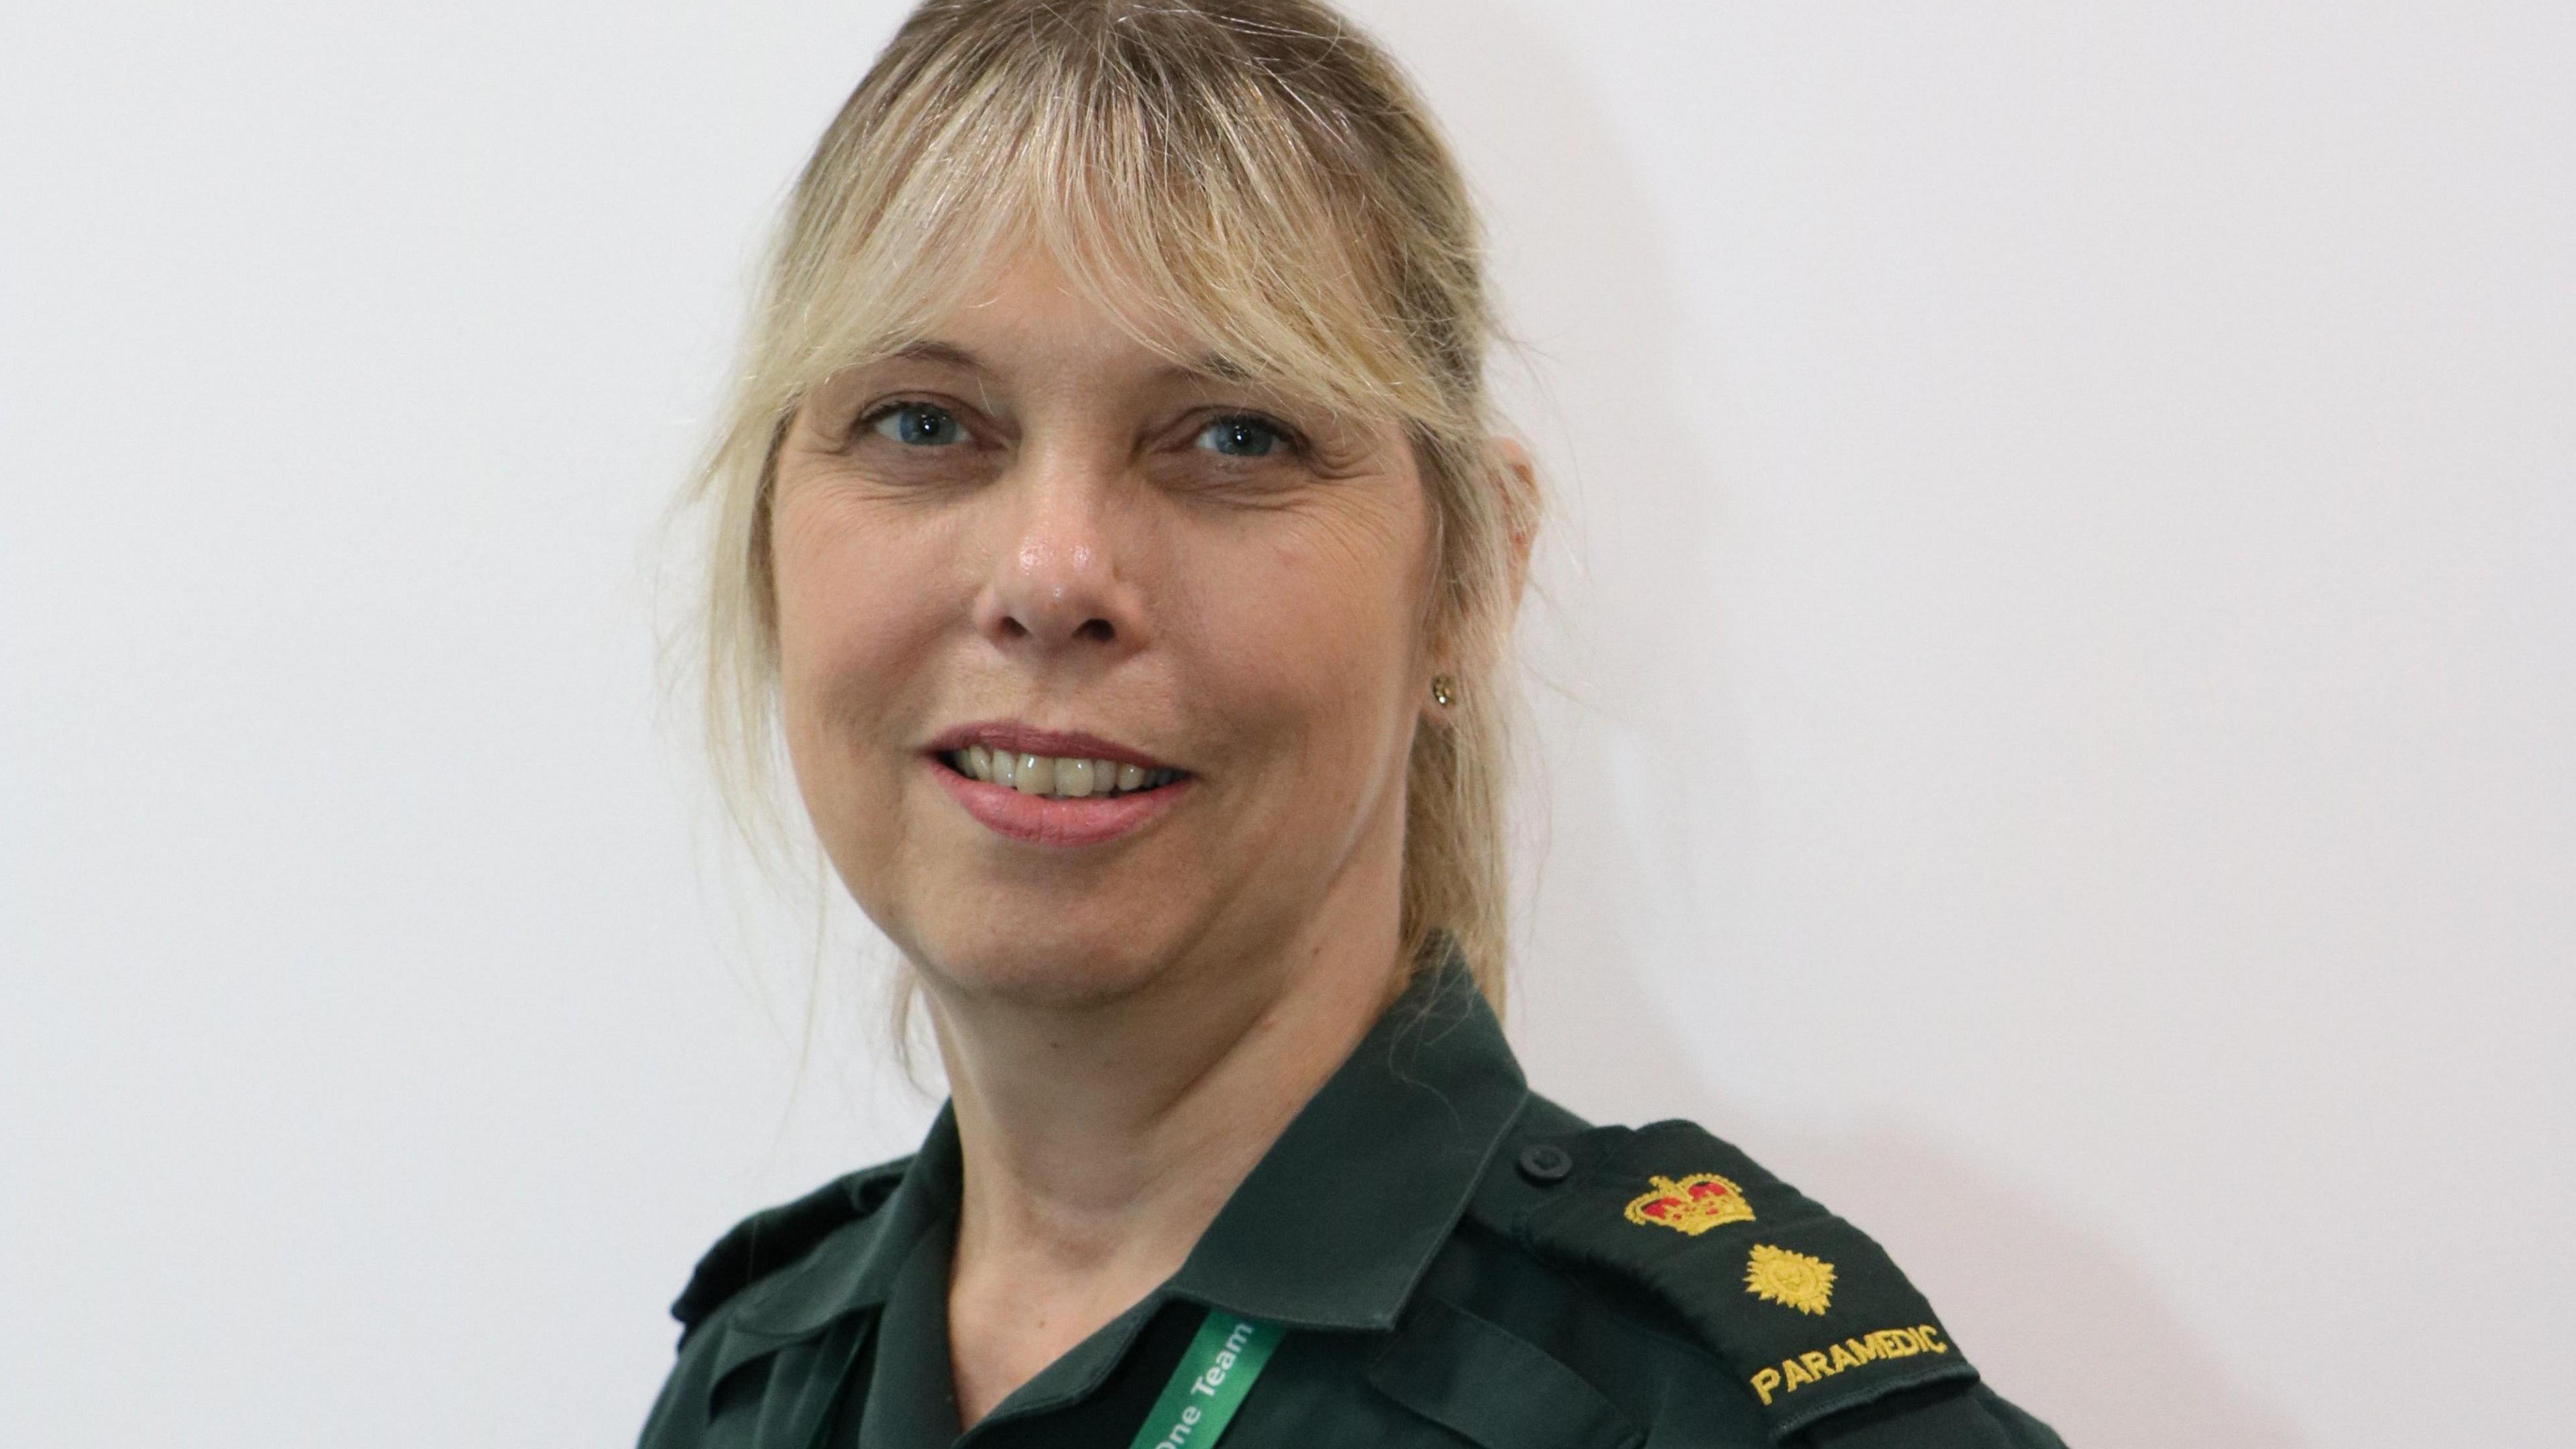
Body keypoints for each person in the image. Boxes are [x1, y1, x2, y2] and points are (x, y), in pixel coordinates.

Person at [641, 1, 2068, 1445]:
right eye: (924, 425)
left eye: (1236, 434)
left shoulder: (1723, 1420)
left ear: (1468, 575)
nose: (1052, 576)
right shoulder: (749, 1390)